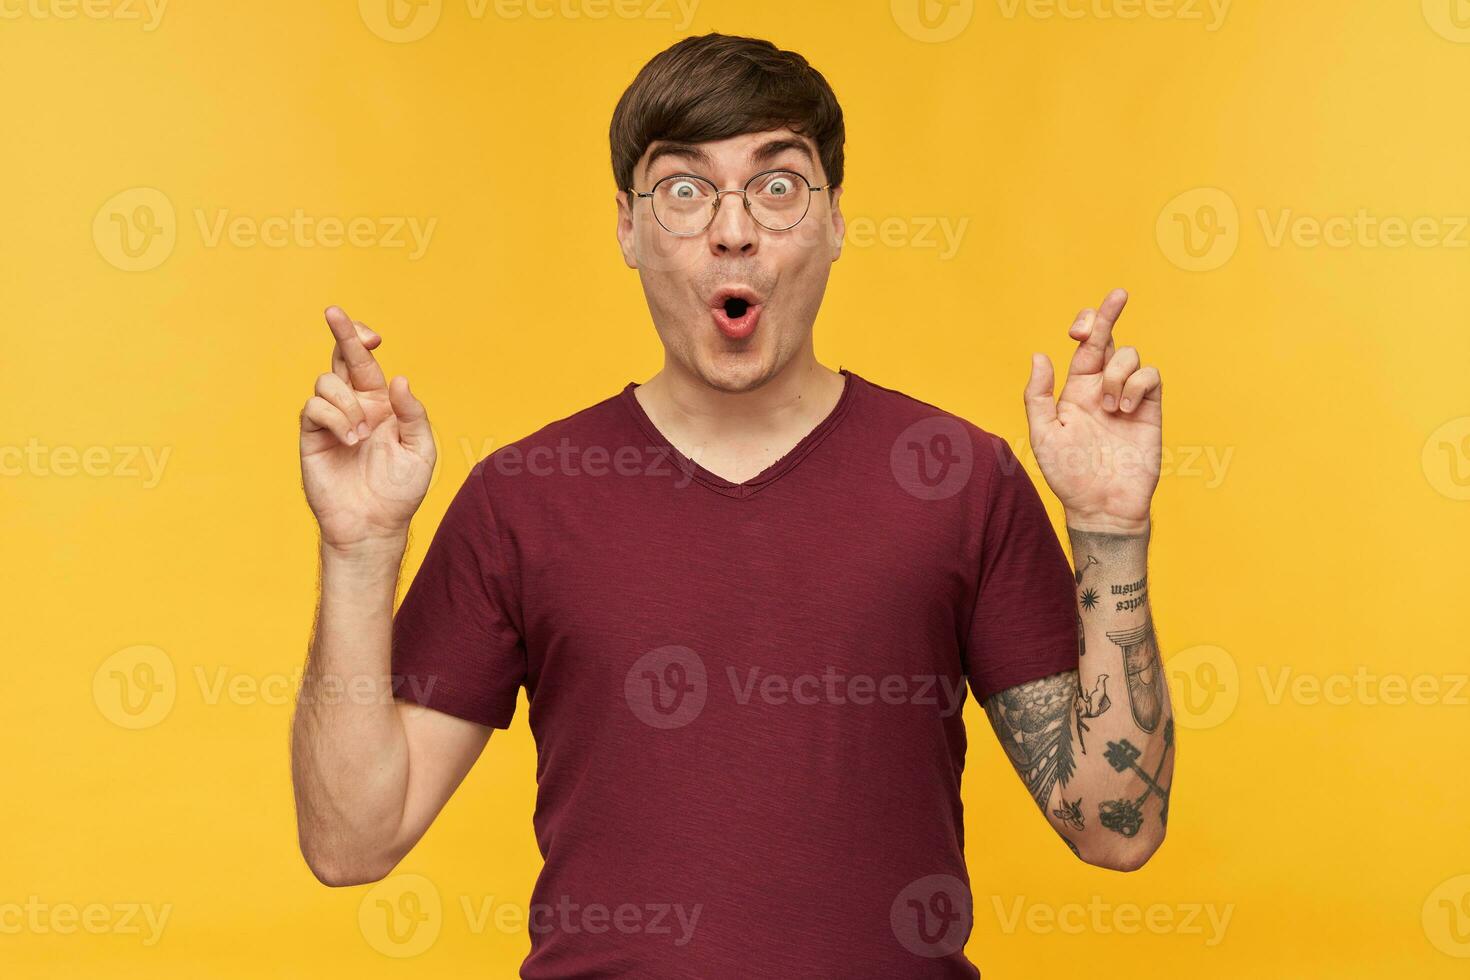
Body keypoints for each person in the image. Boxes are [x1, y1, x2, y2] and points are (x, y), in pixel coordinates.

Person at [290, 31, 1175, 978]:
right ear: (627, 228)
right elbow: (353, 842)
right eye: (684, 190)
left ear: (835, 221)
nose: (733, 228)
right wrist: (358, 550)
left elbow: (1112, 828)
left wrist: (1111, 531)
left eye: (778, 185)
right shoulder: (524, 498)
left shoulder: (960, 480)